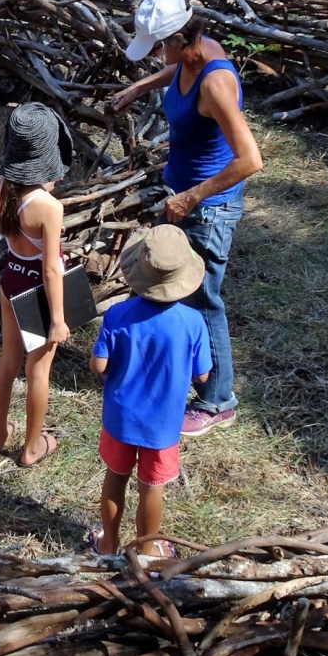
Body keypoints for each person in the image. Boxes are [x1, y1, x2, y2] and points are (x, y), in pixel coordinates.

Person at [112, 0, 263, 437]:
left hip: (209, 209)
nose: (157, 55)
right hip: (184, 194)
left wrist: (192, 197)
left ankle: (218, 400)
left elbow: (250, 159)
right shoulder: (194, 54)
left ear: (180, 39)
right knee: (169, 284)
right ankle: (171, 366)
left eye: (160, 46)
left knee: (202, 300)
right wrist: (139, 88)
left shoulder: (215, 83)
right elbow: (177, 70)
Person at [88, 226, 211, 557]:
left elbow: (98, 365)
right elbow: (202, 375)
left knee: (115, 478)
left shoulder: (118, 314)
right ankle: (147, 550)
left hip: (120, 417)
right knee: (152, 487)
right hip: (163, 424)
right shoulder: (193, 321)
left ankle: (108, 545)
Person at [0, 102, 73, 467]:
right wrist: (58, 319)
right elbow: (50, 269)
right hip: (38, 290)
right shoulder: (49, 207)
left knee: (8, 360)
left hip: (11, 278)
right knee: (37, 370)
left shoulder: (1, 185)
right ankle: (32, 447)